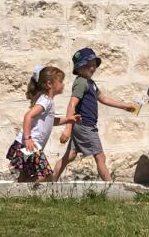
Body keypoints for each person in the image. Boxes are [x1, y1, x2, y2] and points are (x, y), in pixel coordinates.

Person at [53, 48, 136, 181]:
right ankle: (110, 187)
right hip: (85, 125)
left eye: (93, 64)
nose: (92, 68)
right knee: (100, 157)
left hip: (82, 125)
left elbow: (103, 99)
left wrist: (125, 106)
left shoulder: (90, 83)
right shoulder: (81, 82)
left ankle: (50, 182)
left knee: (70, 155)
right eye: (87, 65)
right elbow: (72, 104)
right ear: (79, 68)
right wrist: (67, 129)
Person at [6, 65, 81, 182]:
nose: (63, 84)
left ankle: (17, 192)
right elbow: (28, 116)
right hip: (30, 144)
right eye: (60, 81)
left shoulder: (47, 101)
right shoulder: (45, 101)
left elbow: (50, 121)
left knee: (24, 176)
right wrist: (28, 138)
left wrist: (68, 119)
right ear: (49, 84)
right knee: (46, 176)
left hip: (29, 145)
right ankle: (18, 190)